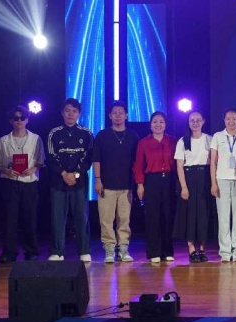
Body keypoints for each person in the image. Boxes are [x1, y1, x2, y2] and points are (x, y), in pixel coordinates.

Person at [0, 105, 45, 263]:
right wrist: (7, 170)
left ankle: (31, 251)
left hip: (29, 182)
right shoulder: (3, 140)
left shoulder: (35, 138)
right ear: (11, 121)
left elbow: (41, 160)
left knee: (30, 217)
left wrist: (33, 169)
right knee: (10, 218)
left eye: (22, 118)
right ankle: (9, 252)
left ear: (27, 120)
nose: (19, 121)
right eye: (16, 118)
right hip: (10, 182)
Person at [46, 98, 94, 262]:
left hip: (79, 182)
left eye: (74, 111)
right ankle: (57, 251)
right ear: (62, 113)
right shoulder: (54, 133)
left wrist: (75, 174)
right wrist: (64, 174)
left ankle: (84, 251)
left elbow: (88, 158)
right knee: (58, 218)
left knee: (81, 216)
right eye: (67, 110)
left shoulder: (87, 133)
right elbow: (51, 157)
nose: (70, 114)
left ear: (79, 113)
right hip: (58, 182)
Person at [92, 101, 139, 263]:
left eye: (121, 113)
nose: (118, 115)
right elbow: (96, 159)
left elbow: (137, 162)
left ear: (126, 115)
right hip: (106, 186)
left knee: (124, 219)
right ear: (110, 116)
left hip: (126, 185)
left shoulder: (133, 136)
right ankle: (109, 249)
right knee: (106, 219)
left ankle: (123, 248)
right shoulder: (102, 135)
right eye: (115, 113)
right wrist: (98, 180)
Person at [134, 111, 177, 263]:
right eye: (155, 122)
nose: (158, 124)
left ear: (166, 125)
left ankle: (167, 251)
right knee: (152, 217)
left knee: (167, 216)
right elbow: (138, 165)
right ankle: (154, 252)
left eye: (161, 122)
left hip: (169, 180)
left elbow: (177, 163)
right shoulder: (143, 142)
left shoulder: (173, 141)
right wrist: (140, 184)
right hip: (151, 181)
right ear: (150, 125)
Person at [173, 111, 214, 263]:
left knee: (203, 214)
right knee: (189, 214)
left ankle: (202, 249)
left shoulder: (210, 139)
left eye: (198, 120)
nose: (195, 123)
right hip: (189, 178)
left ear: (203, 121)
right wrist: (183, 187)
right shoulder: (182, 141)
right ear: (188, 122)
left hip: (205, 178)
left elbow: (214, 162)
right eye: (192, 120)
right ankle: (191, 249)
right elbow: (179, 166)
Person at [211, 108, 236, 263]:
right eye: (228, 118)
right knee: (223, 218)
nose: (231, 121)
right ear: (224, 120)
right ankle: (225, 252)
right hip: (222, 180)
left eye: (234, 118)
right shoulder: (218, 136)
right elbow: (213, 162)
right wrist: (213, 183)